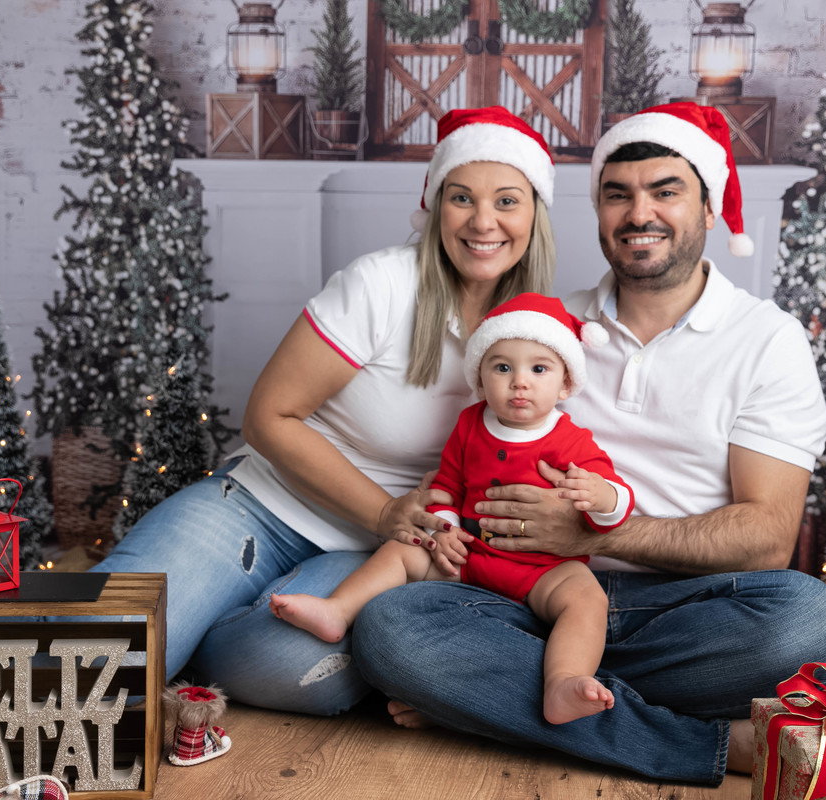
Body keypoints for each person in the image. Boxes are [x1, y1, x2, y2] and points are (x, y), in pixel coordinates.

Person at [350, 102, 826, 783]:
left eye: (666, 191)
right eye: (618, 195)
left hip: (683, 612)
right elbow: (471, 456)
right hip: (523, 598)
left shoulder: (767, 340)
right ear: (598, 212)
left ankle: (492, 699)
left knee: (811, 624)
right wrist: (445, 524)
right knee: (390, 629)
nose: (639, 213)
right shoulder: (547, 330)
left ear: (710, 209)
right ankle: (700, 740)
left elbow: (767, 539)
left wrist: (598, 534)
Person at [88, 106, 560, 714]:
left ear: (534, 215)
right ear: (436, 204)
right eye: (461, 197)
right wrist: (386, 510)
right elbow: (267, 417)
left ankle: (189, 636)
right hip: (263, 506)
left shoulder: (537, 331)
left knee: (305, 671)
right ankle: (174, 620)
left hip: (368, 555)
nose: (483, 221)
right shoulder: (381, 283)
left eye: (507, 201)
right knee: (101, 659)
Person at [271, 292, 634, 725]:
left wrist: (603, 496)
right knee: (403, 549)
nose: (520, 381)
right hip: (470, 555)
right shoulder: (470, 424)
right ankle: (338, 610)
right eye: (503, 368)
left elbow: (616, 503)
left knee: (587, 598)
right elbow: (446, 486)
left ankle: (563, 681)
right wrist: (443, 531)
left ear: (566, 385)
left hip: (542, 569)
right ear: (480, 378)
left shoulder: (571, 440)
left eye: (539, 369)